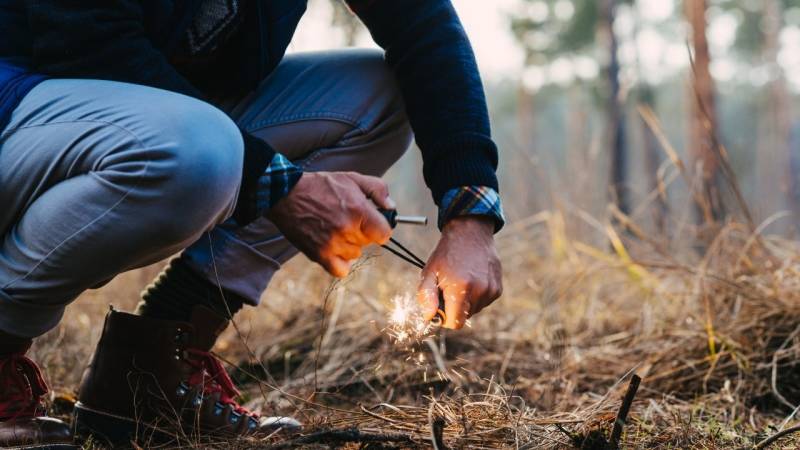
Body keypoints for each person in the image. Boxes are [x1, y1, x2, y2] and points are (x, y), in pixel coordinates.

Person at [0, 0, 505, 447]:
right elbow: (85, 44)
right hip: (22, 102)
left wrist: (469, 219)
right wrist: (281, 184)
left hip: (155, 116)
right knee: (204, 149)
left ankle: (150, 371)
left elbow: (422, 25)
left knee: (379, 97)